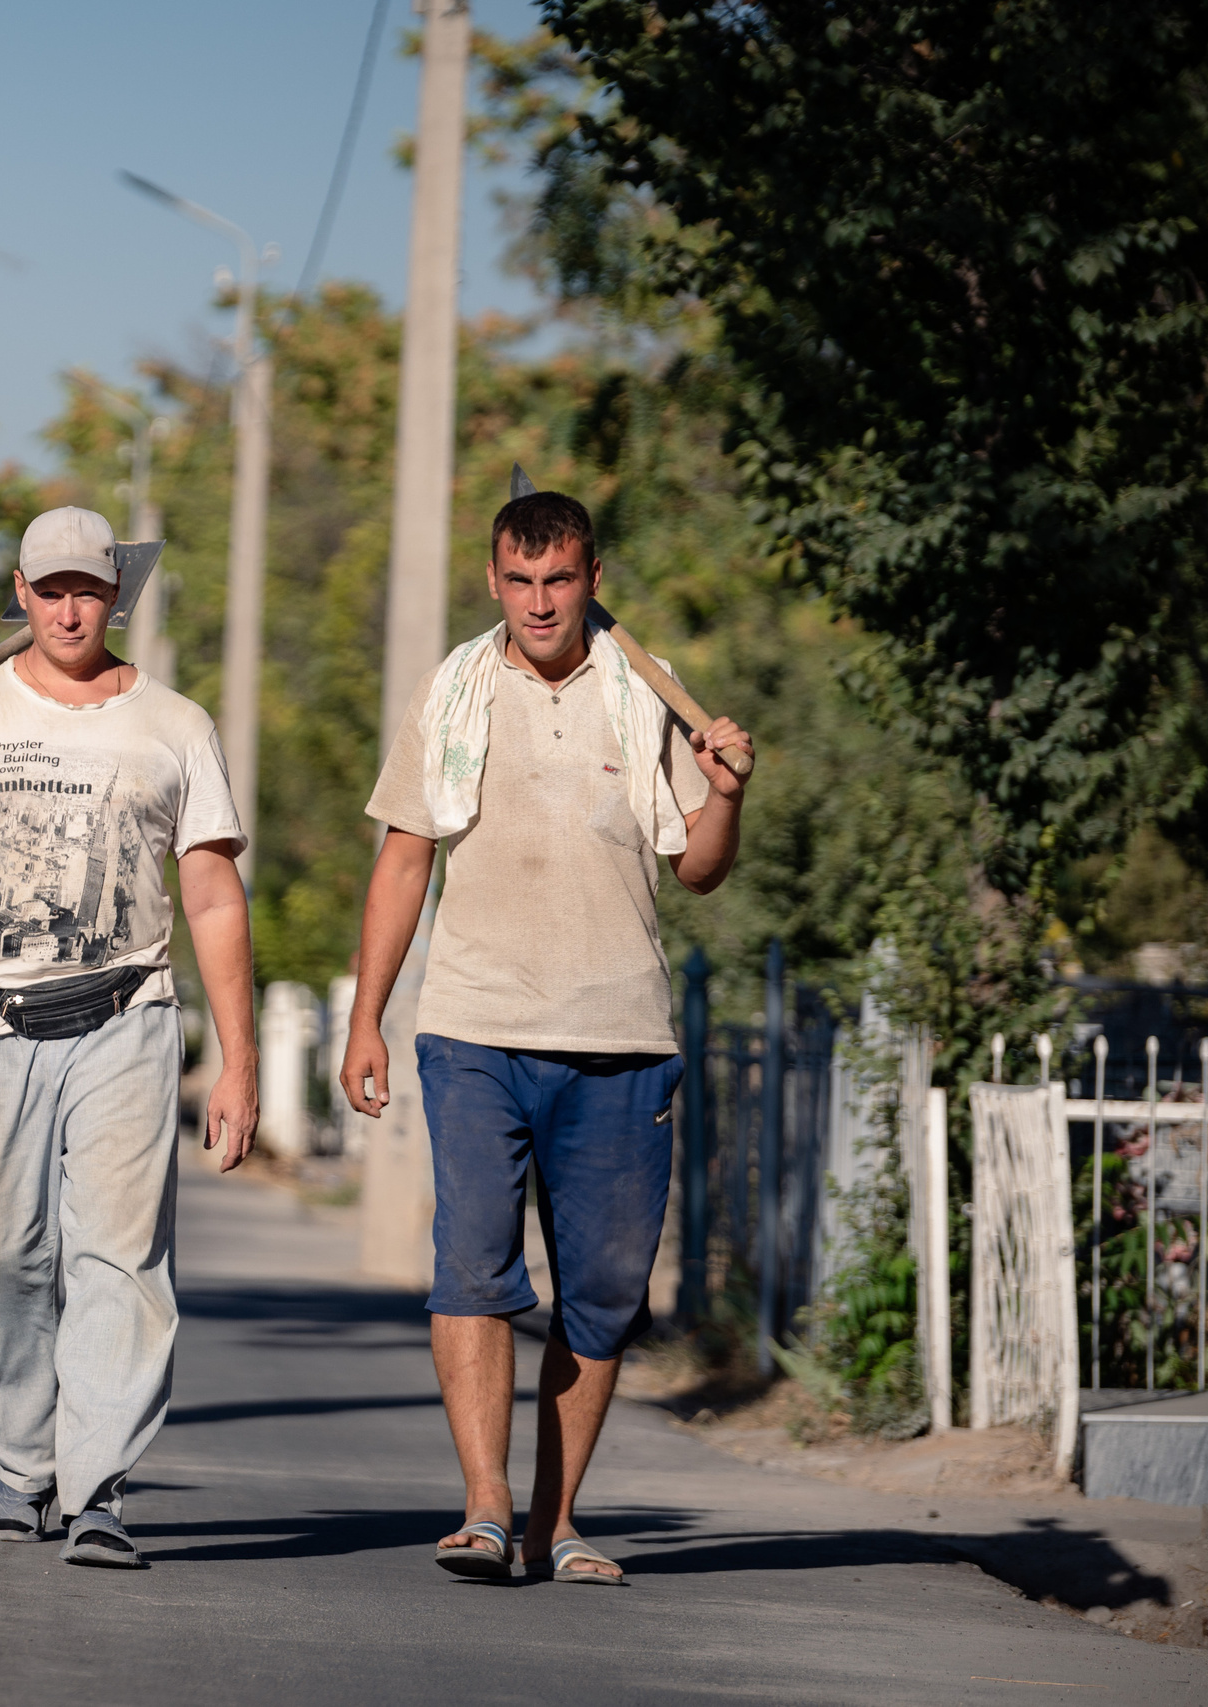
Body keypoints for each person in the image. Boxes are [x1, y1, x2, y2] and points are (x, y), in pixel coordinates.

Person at [338, 485, 752, 1585]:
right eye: (518, 581)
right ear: (492, 581)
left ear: (591, 579)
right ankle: (482, 1508)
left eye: (558, 579)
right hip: (474, 1028)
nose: (537, 601)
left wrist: (724, 795)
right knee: (471, 1267)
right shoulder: (455, 692)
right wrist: (365, 1018)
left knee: (603, 1294)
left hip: (620, 1036)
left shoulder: (644, 691)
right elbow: (402, 859)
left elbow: (698, 870)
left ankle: (553, 1523)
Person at [0, 506, 260, 1569]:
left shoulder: (174, 724)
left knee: (120, 1262)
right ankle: (22, 1459)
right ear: (19, 598)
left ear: (116, 593)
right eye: (50, 588)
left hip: (125, 1015)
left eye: (89, 587)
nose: (70, 606)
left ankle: (97, 1485)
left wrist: (238, 1059)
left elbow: (210, 895)